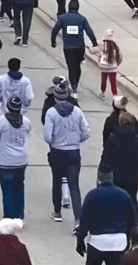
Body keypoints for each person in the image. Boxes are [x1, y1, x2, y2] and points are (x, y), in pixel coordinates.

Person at [44, 81, 91, 230]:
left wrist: (56, 141)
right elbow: (86, 132)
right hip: (73, 151)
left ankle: (57, 212)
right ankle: (78, 219)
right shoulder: (77, 111)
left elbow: (48, 137)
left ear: (56, 97)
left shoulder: (51, 113)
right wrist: (76, 140)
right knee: (74, 186)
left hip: (57, 151)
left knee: (57, 181)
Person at [0, 97, 32, 219]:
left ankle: (9, 216)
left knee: (7, 190)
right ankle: (19, 215)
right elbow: (27, 133)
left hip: (6, 161)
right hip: (21, 161)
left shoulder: (1, 122)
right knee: (19, 188)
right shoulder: (26, 121)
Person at [102, 111, 138, 221]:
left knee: (114, 199)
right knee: (132, 199)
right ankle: (135, 224)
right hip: (133, 177)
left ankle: (115, 221)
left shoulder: (113, 139)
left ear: (120, 122)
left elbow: (105, 158)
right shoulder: (137, 140)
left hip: (116, 176)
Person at [50, 0, 98, 95]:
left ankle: (74, 87)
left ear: (69, 7)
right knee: (77, 66)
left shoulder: (63, 18)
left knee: (71, 67)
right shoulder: (82, 19)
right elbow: (89, 31)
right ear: (78, 8)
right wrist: (94, 43)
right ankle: (75, 84)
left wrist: (53, 40)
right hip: (80, 47)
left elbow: (55, 30)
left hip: (68, 47)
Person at [92, 30, 123, 98]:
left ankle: (102, 93)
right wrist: (117, 64)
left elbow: (93, 50)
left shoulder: (101, 45)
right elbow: (120, 57)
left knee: (103, 80)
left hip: (104, 68)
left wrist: (91, 49)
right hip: (113, 68)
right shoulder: (115, 47)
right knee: (113, 82)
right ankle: (114, 95)